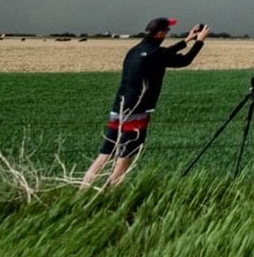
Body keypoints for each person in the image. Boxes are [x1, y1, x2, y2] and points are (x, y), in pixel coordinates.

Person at [80, 16, 210, 188]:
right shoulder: (157, 54)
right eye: (167, 31)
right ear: (160, 33)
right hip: (137, 111)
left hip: (118, 108)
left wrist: (187, 39)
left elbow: (162, 54)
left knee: (105, 154)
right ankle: (113, 192)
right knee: (125, 157)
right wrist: (199, 42)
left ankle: (82, 190)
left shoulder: (135, 50)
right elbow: (184, 61)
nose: (167, 34)